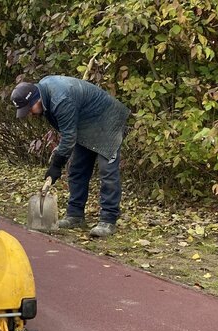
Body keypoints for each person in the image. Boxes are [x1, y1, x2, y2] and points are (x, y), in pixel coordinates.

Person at [10, 77, 130, 237]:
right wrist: (58, 163)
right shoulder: (45, 95)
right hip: (86, 124)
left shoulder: (61, 99)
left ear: (35, 99)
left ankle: (108, 220)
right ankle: (75, 216)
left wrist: (56, 165)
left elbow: (68, 137)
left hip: (107, 120)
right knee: (77, 169)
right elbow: (67, 132)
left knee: (107, 171)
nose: (30, 113)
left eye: (29, 108)